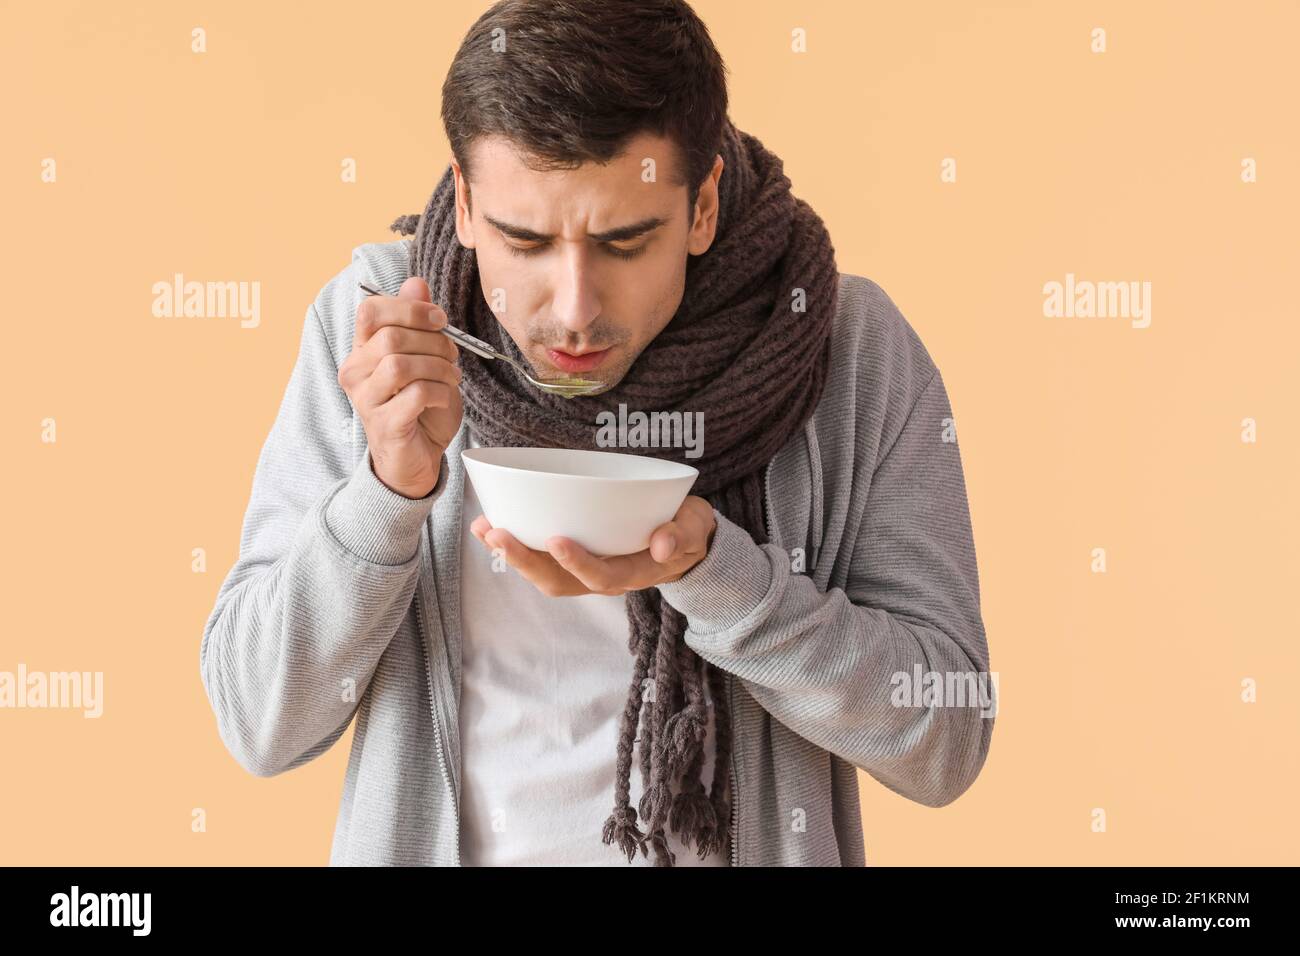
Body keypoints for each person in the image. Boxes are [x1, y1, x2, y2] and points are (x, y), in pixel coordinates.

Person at [200, 0, 994, 867]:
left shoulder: (843, 348)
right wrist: (387, 492)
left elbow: (947, 740)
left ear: (701, 208)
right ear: (465, 203)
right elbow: (257, 722)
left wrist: (719, 578)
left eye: (624, 242)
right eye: (525, 240)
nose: (574, 311)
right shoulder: (382, 334)